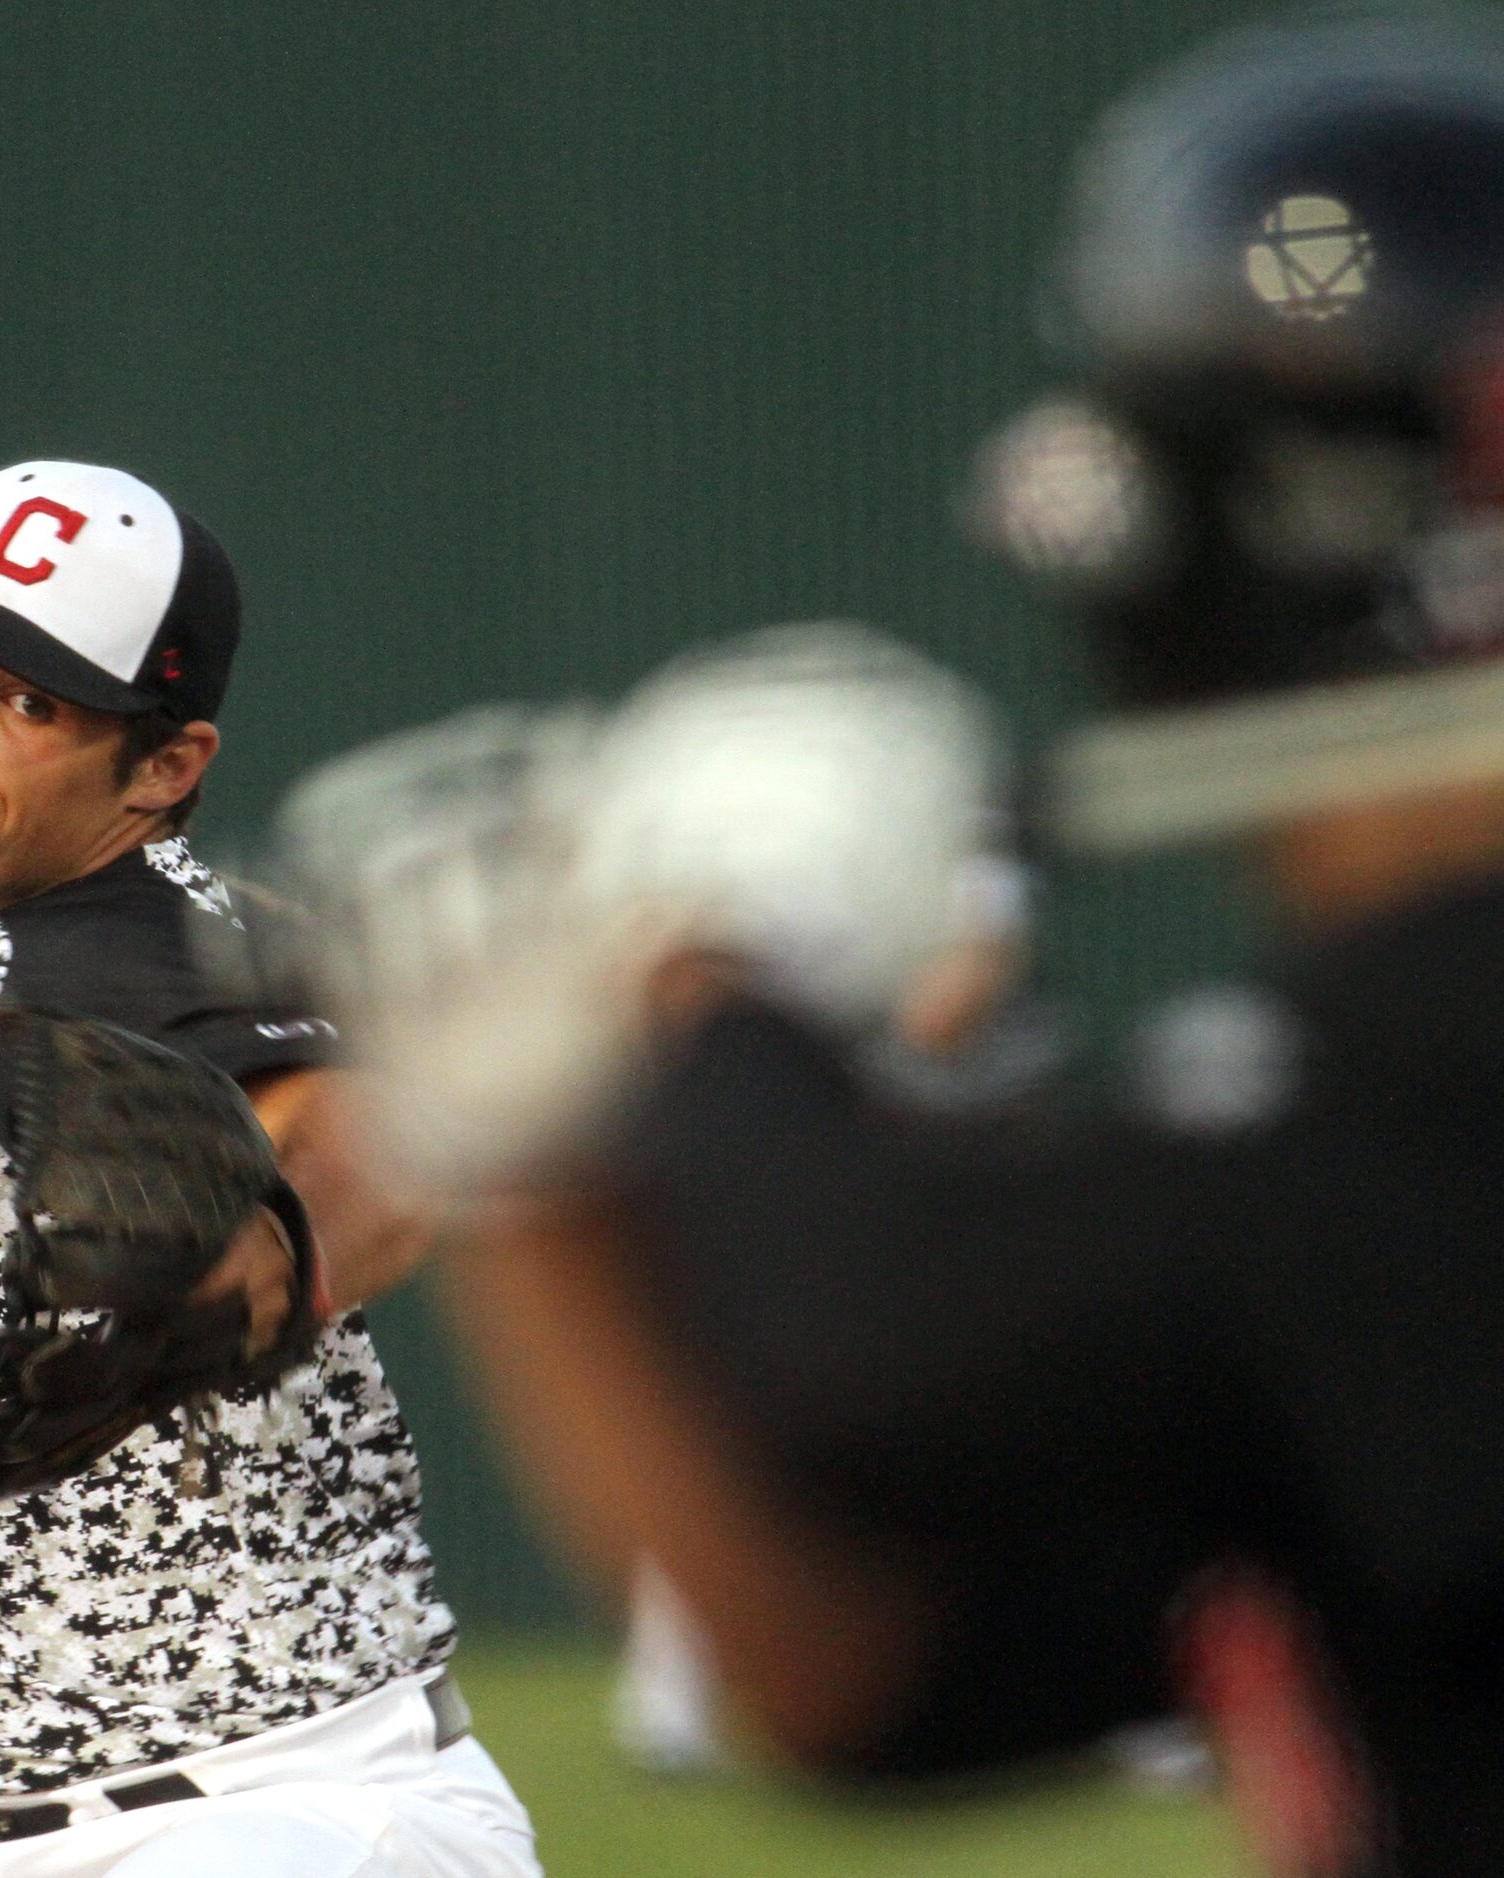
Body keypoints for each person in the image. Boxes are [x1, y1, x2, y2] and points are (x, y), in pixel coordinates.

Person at [282, 16, 1504, 1875]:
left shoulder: (1396, 1087)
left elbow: (876, 1359)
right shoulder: (1359, 1147)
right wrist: (538, 1196)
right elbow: (870, 1677)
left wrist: (723, 975)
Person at [0, 459, 540, 1878]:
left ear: (167, 767)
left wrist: (273, 1257)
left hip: (263, 1818)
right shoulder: (58, 903)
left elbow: (366, 1135)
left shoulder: (93, 956)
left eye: (30, 701)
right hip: (12, 1823)